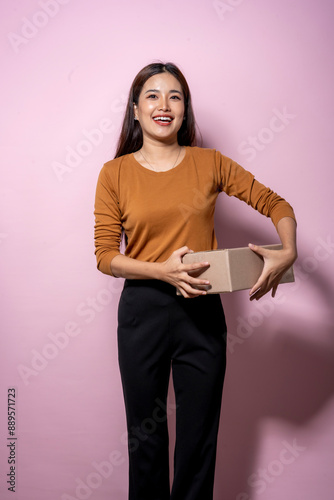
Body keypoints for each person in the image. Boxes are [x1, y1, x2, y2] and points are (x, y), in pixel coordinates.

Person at [94, 61, 297, 500]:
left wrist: (289, 249)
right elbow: (106, 256)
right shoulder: (115, 174)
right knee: (144, 439)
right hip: (142, 313)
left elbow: (275, 203)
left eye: (175, 96)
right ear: (134, 110)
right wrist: (162, 270)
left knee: (199, 438)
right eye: (152, 95)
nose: (163, 105)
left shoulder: (210, 163)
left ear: (185, 109)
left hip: (202, 309)